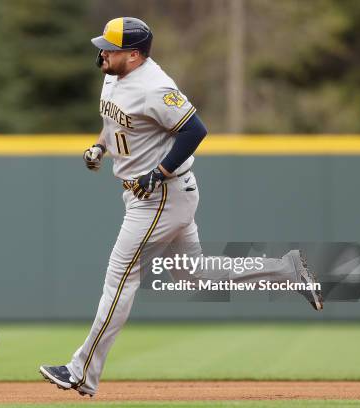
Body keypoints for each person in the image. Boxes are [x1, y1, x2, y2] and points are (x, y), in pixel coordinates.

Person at [39, 17, 323, 397]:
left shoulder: (156, 87)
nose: (102, 52)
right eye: (103, 45)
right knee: (193, 276)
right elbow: (116, 123)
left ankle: (81, 371)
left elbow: (195, 130)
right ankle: (285, 270)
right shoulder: (113, 76)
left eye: (111, 48)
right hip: (154, 195)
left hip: (161, 195)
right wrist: (101, 146)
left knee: (120, 279)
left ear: (135, 55)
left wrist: (159, 172)